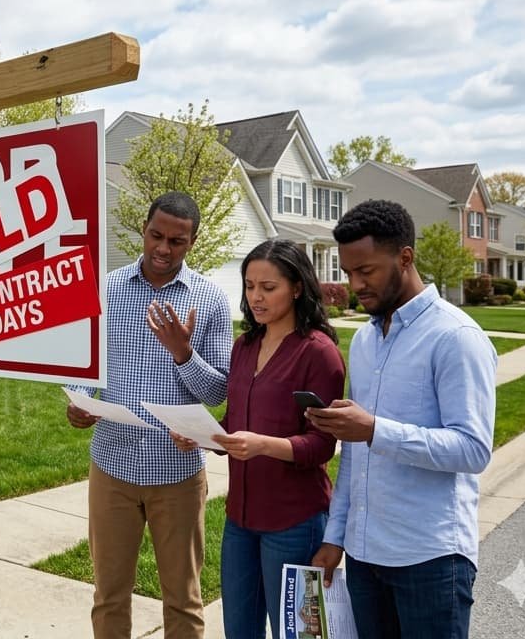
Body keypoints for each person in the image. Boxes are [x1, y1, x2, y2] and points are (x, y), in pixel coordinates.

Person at [308, 199, 496, 639]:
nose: (355, 285)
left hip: (430, 558)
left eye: (366, 271)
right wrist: (336, 535)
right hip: (364, 554)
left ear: (405, 257)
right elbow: (354, 454)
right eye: (348, 272)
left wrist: (375, 430)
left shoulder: (456, 337)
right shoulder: (365, 340)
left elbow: (473, 449)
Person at [67, 191, 232, 639]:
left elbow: (218, 391)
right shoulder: (107, 288)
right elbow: (84, 363)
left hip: (177, 472)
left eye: (176, 241)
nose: (163, 248)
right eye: (156, 235)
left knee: (183, 600)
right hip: (112, 467)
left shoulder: (211, 300)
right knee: (108, 595)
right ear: (143, 229)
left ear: (192, 243)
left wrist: (183, 353)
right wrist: (79, 400)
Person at [169, 239, 345, 639]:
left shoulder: (319, 354)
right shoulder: (245, 346)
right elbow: (235, 423)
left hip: (295, 521)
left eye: (268, 287)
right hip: (241, 520)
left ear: (297, 287)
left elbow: (322, 445)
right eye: (250, 286)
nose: (256, 297)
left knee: (298, 634)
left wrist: (264, 445)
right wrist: (203, 437)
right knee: (240, 630)